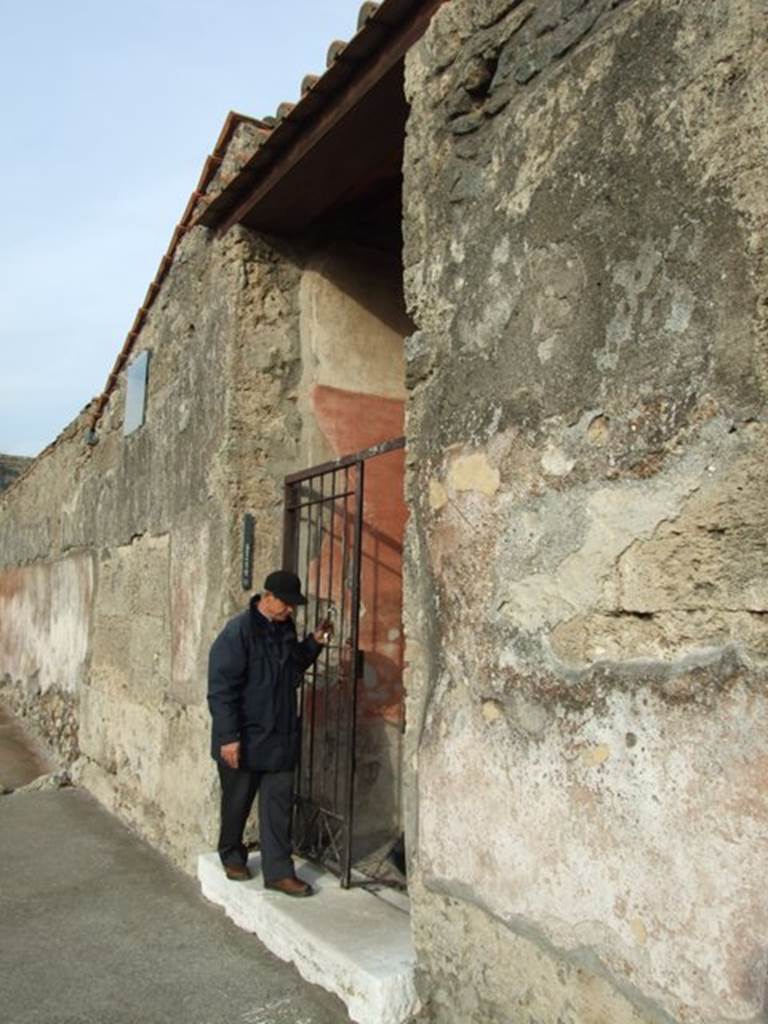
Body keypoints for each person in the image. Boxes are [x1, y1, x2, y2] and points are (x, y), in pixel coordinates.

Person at [207, 569, 330, 896]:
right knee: (237, 803)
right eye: (287, 603)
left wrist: (313, 643)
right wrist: (228, 737)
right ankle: (232, 855)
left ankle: (278, 872)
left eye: (294, 605)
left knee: (278, 807)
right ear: (268, 597)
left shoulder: (285, 628)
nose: (291, 610)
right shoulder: (238, 632)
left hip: (280, 736)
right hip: (244, 738)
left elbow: (292, 667)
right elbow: (221, 689)